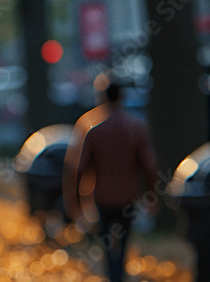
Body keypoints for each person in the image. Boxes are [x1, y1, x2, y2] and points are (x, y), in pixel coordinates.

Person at [63, 81, 158, 282]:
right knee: (123, 241)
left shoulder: (93, 129)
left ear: (102, 97)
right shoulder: (136, 127)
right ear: (122, 97)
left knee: (106, 241)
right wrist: (152, 197)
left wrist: (75, 203)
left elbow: (78, 168)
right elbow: (149, 166)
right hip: (128, 196)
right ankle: (119, 276)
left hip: (102, 197)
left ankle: (111, 276)